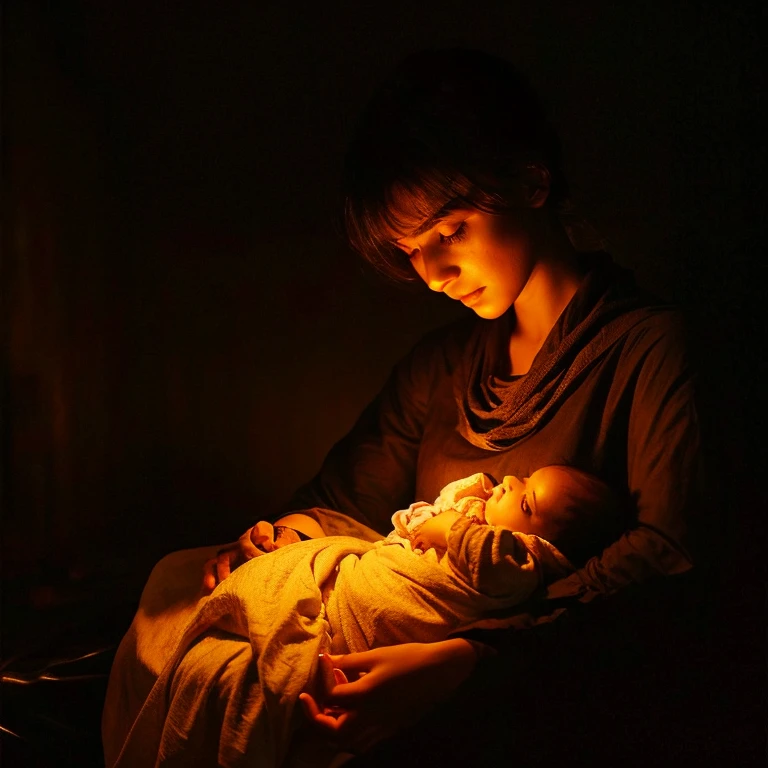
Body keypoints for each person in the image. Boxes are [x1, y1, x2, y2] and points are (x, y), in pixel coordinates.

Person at [103, 47, 705, 766]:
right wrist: (284, 536)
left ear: (531, 182)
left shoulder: (647, 349)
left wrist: (469, 659)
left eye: (449, 231)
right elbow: (344, 501)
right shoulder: (442, 368)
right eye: (410, 249)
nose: (432, 272)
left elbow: (672, 559)